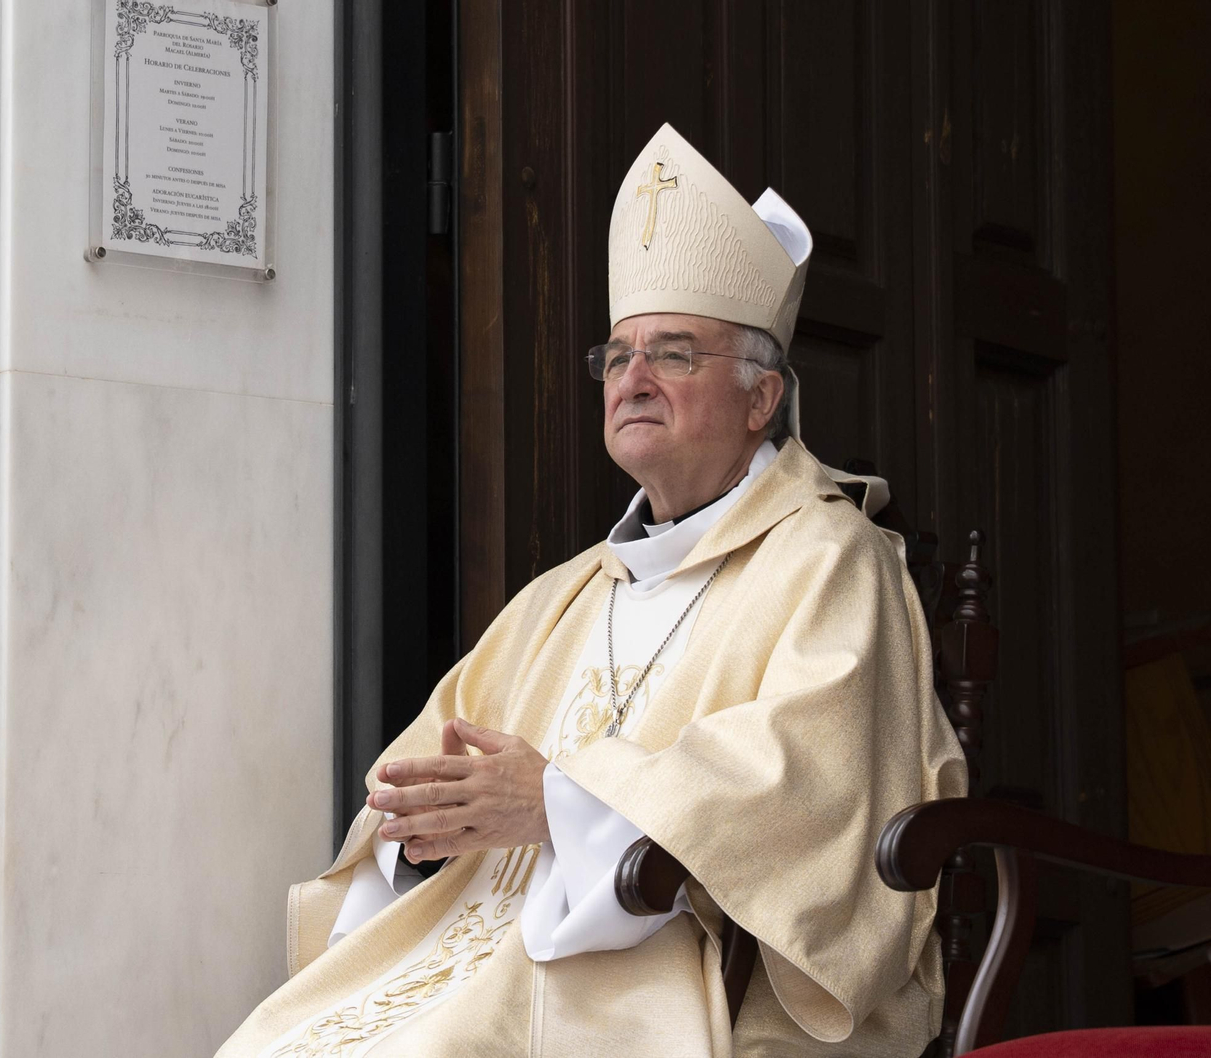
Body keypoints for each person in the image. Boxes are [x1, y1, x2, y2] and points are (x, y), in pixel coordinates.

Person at [219, 123, 966, 1057]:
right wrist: (415, 828)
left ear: (760, 398)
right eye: (617, 358)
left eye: (674, 354)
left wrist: (560, 801)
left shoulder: (831, 558)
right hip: (487, 955)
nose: (633, 379)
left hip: (674, 977)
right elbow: (428, 771)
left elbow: (808, 784)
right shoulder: (569, 593)